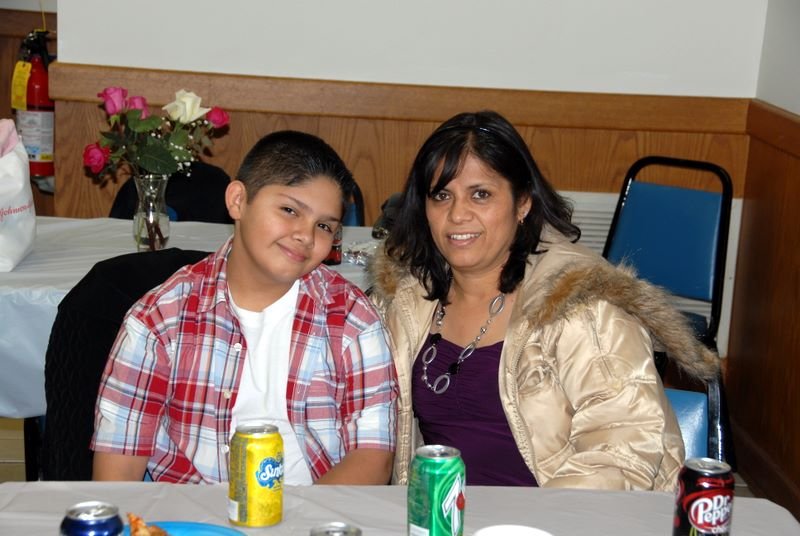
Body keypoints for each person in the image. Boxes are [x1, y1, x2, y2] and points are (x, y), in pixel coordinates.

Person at [369, 110, 719, 490]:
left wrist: (533, 520)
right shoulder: (406, 301)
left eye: (480, 194)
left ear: (523, 203)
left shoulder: (582, 306)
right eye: (441, 196)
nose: (457, 215)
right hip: (439, 514)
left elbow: (621, 454)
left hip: (560, 514)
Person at [92, 130, 398, 484]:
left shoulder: (351, 319)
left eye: (324, 226)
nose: (306, 235)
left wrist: (297, 516)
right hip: (190, 509)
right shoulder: (160, 318)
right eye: (289, 210)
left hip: (316, 508)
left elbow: (373, 459)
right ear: (238, 200)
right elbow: (118, 472)